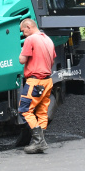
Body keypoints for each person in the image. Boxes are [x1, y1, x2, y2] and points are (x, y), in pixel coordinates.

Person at [16, 18, 57, 154]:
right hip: (47, 81)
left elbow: (22, 60)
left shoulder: (31, 40)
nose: (24, 34)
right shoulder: (48, 40)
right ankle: (40, 140)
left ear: (28, 26)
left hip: (35, 81)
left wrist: (19, 55)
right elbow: (52, 58)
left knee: (24, 110)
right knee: (41, 111)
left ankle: (38, 141)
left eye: (23, 31)